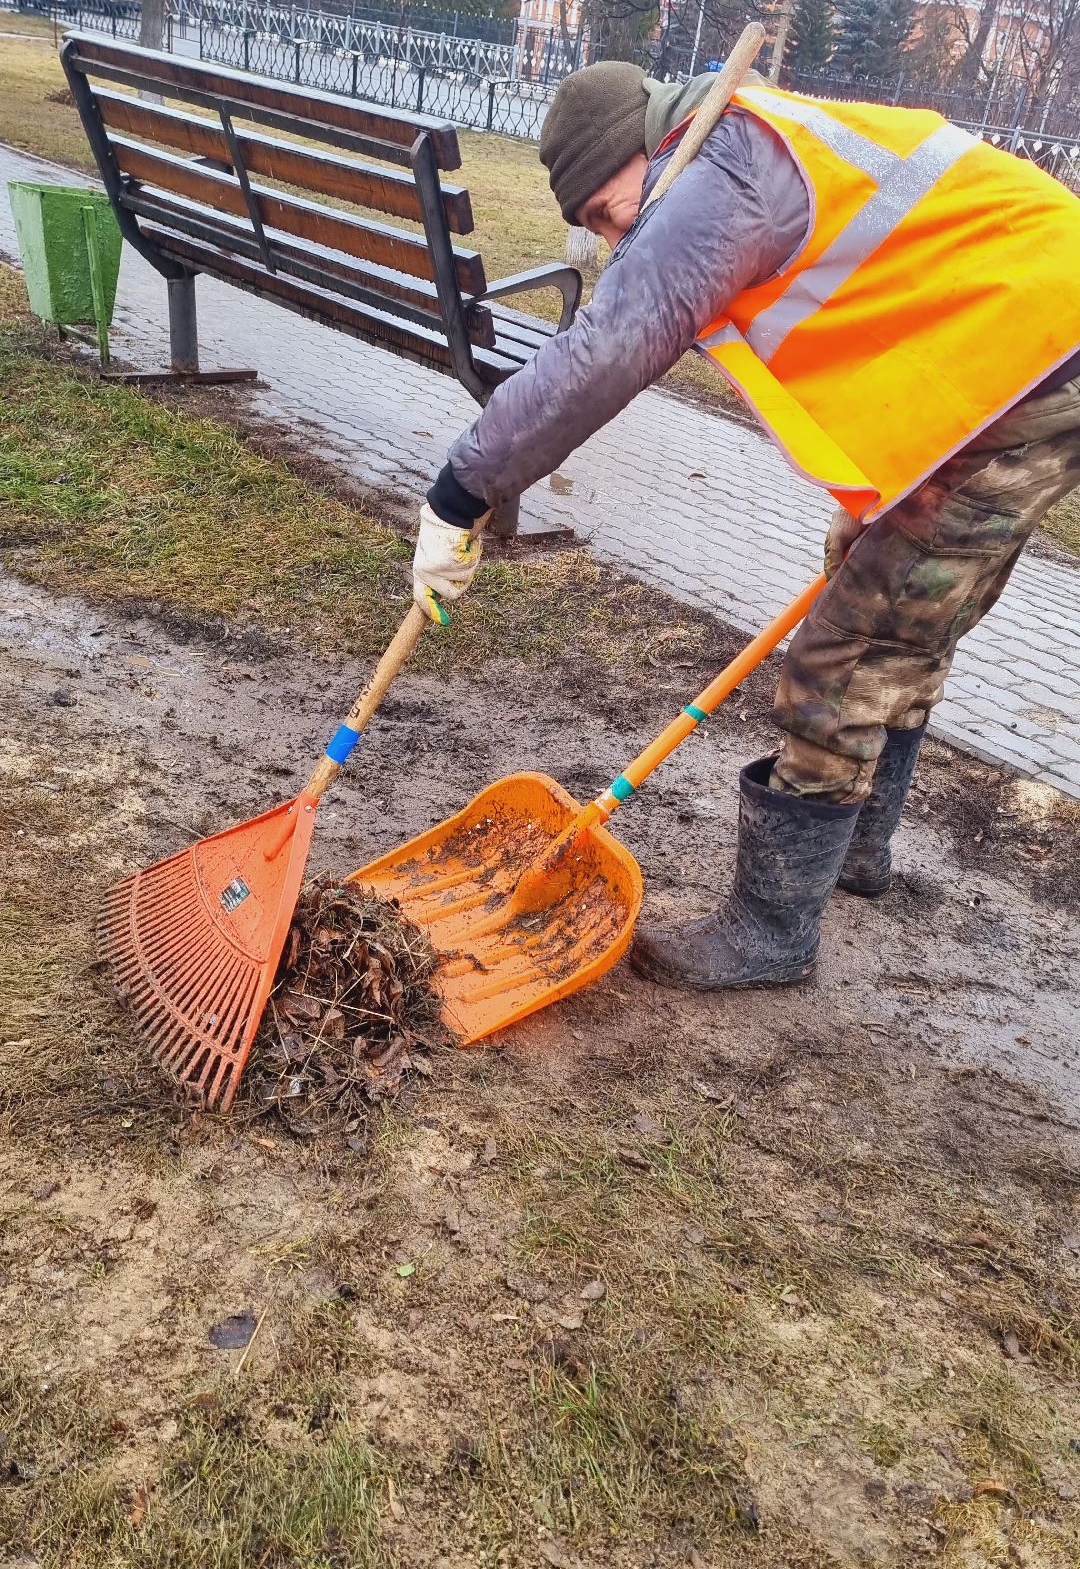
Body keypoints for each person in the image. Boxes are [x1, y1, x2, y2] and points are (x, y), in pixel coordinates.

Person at [410, 60, 1080, 991]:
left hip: (1022, 367)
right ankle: (855, 850)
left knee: (847, 654)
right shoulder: (740, 148)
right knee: (895, 613)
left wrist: (460, 490)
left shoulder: (721, 172)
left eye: (606, 212)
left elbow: (610, 345)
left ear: (641, 151)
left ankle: (771, 932)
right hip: (1010, 358)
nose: (616, 236)